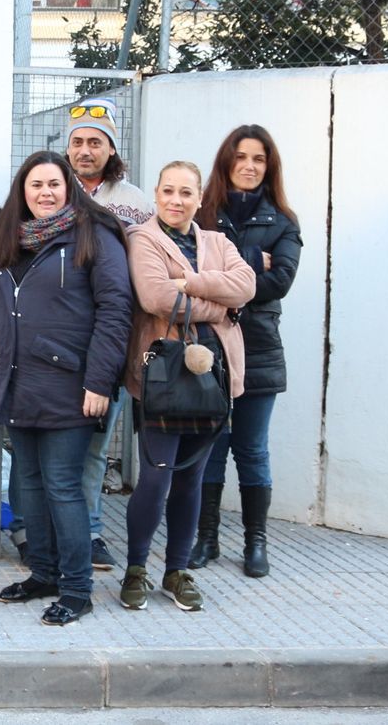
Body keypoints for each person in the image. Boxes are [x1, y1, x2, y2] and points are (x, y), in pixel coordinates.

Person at [0, 151, 133, 625]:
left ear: (70, 188)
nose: (45, 193)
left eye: (54, 184)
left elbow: (115, 310)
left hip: (71, 383)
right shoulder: (11, 239)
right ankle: (42, 573)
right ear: (22, 192)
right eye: (35, 185)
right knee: (29, 483)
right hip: (18, 381)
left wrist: (99, 381)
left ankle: (77, 589)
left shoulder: (94, 236)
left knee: (63, 486)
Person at [120, 161, 255, 613]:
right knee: (156, 479)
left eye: (185, 193)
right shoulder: (143, 239)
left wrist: (190, 282)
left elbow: (247, 284)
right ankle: (136, 568)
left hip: (212, 381)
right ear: (155, 195)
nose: (176, 201)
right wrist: (218, 309)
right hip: (162, 380)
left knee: (192, 479)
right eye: (168, 192)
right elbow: (156, 297)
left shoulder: (217, 241)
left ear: (200, 199)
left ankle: (177, 571)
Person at [190, 125, 303, 579]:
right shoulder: (204, 214)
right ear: (227, 161)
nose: (249, 166)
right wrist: (255, 263)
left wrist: (225, 275)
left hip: (257, 349)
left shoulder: (284, 221)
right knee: (211, 447)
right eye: (241, 157)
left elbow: (281, 282)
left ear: (269, 166)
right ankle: (207, 538)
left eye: (259, 158)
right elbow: (190, 271)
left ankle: (256, 542)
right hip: (208, 348)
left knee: (252, 450)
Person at [64, 96, 153, 574]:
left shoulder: (135, 202)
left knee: (97, 446)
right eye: (77, 141)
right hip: (58, 344)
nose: (84, 150)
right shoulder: (51, 190)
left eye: (95, 142)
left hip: (111, 344)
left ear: (110, 148)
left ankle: (92, 532)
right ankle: (40, 532)